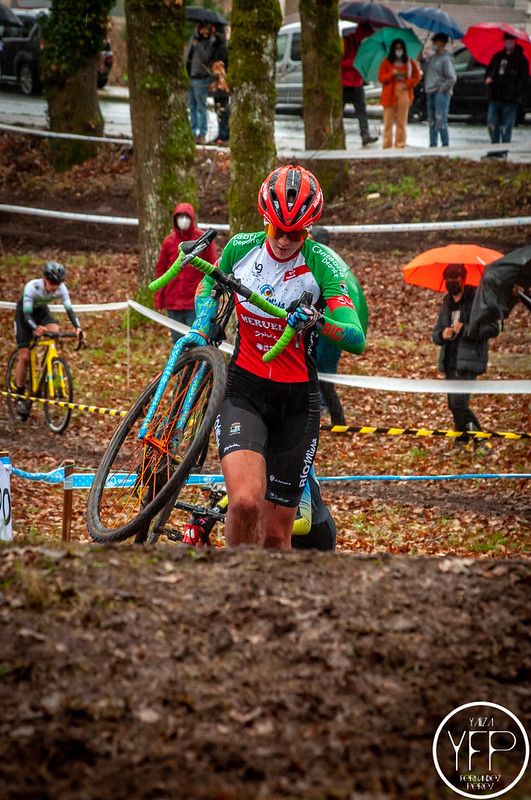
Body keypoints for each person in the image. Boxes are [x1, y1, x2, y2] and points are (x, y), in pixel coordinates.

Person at [194, 165, 366, 549]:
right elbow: (209, 281)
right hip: (245, 389)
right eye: (278, 230)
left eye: (297, 232)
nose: (286, 240)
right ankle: (234, 589)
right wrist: (203, 319)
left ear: (309, 230)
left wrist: (319, 321)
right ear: (265, 221)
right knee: (243, 501)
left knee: (275, 535)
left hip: (297, 403)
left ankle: (268, 605)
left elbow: (355, 337)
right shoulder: (241, 247)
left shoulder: (323, 264)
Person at [432, 264, 499, 454]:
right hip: (450, 359)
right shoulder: (447, 301)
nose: (451, 282)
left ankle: (481, 440)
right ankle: (462, 442)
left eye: (455, 278)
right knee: (453, 404)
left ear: (463, 279)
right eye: (448, 278)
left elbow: (493, 328)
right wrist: (442, 334)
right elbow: (435, 333)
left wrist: (467, 329)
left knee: (459, 403)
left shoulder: (477, 299)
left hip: (469, 360)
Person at [309, 225, 368, 426]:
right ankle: (332, 416)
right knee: (317, 375)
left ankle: (336, 418)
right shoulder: (308, 263)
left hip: (331, 331)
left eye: (310, 237)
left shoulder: (331, 267)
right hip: (317, 328)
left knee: (325, 378)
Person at [14, 261, 85, 418]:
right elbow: (26, 315)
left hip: (41, 312)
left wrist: (78, 328)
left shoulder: (61, 288)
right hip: (25, 315)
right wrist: (35, 328)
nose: (55, 287)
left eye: (58, 283)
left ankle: (49, 364)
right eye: (52, 282)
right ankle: (19, 394)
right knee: (24, 356)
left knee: (55, 331)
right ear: (44, 279)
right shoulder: (32, 287)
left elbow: (70, 310)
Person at [154, 202, 218, 343]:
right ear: (175, 219)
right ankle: (180, 365)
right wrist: (159, 298)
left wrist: (212, 296)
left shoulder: (203, 240)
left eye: (186, 216)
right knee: (178, 342)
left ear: (192, 218)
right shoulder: (169, 242)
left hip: (195, 302)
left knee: (195, 342)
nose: (183, 220)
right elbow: (161, 271)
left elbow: (213, 268)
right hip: (173, 303)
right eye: (180, 217)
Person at [485, 32, 530, 145]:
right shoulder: (497, 57)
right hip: (495, 96)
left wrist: (516, 93)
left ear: (515, 41)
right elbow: (489, 72)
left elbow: (524, 80)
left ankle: (503, 150)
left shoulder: (521, 60)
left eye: (511, 40)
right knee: (492, 124)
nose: (508, 42)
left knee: (506, 126)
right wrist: (488, 80)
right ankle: (494, 147)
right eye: (506, 40)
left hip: (510, 99)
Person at [378, 38, 421, 149]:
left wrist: (407, 84)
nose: (399, 50)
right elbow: (381, 77)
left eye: (400, 48)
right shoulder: (387, 62)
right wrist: (391, 74)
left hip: (404, 92)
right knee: (388, 121)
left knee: (402, 121)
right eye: (396, 48)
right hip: (389, 93)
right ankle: (387, 145)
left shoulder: (409, 62)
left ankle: (400, 144)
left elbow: (417, 76)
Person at [341, 24, 378, 147]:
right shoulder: (347, 42)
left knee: (361, 111)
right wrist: (354, 62)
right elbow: (339, 62)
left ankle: (365, 134)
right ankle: (335, 135)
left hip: (358, 82)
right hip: (345, 83)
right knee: (339, 112)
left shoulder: (365, 47)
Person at [423, 32, 456, 148]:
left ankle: (445, 145)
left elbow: (452, 78)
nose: (433, 45)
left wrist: (442, 89)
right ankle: (433, 145)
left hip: (440, 93)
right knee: (432, 121)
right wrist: (422, 61)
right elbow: (427, 72)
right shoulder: (432, 58)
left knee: (440, 120)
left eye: (435, 42)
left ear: (441, 43)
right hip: (430, 92)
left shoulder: (446, 59)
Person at [186, 21, 216, 144]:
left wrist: (197, 45)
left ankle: (202, 133)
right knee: (192, 106)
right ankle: (193, 131)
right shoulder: (192, 40)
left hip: (201, 77)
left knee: (201, 107)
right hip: (191, 76)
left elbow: (206, 58)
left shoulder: (207, 43)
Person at [208, 27, 230, 146]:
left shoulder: (221, 48)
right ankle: (222, 133)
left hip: (221, 83)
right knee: (220, 109)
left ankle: (224, 134)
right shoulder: (219, 48)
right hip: (219, 83)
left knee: (222, 108)